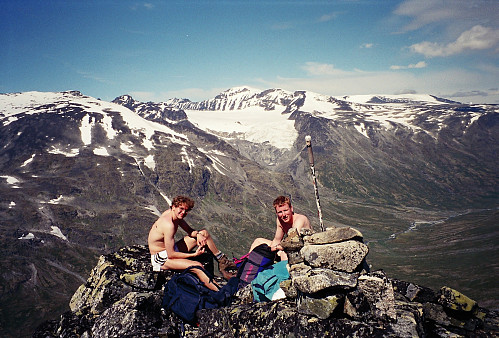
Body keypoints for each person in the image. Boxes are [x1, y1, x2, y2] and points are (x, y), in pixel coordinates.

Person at [148, 196, 236, 290]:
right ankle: (219, 291)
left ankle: (222, 261)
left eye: (186, 210)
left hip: (170, 249)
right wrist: (194, 254)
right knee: (197, 266)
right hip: (161, 258)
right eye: (181, 209)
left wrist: (198, 234)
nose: (183, 213)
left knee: (204, 234)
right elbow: (171, 255)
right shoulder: (168, 224)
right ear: (173, 207)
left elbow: (189, 230)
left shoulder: (174, 215)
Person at [249, 195, 312, 260]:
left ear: (291, 208)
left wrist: (276, 248)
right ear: (276, 213)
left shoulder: (300, 220)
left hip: (303, 249)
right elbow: (277, 240)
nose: (284, 215)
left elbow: (293, 241)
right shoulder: (280, 220)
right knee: (258, 241)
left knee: (283, 253)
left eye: (285, 210)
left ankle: (285, 269)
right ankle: (245, 264)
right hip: (287, 246)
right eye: (280, 212)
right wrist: (270, 249)